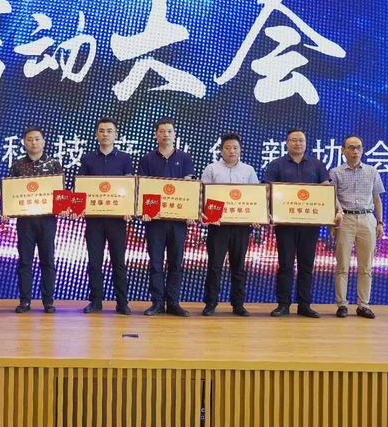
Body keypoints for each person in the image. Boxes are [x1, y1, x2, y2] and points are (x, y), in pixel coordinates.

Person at [263, 128, 330, 318]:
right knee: (285, 265)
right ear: (287, 143)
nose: (298, 143)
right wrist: (268, 213)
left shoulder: (317, 165)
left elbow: (326, 190)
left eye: (301, 140)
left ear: (306, 143)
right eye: (294, 140)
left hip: (310, 224)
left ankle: (304, 305)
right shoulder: (276, 165)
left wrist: (334, 211)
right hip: (285, 224)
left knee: (306, 265)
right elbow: (267, 190)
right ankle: (283, 304)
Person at [138, 119, 195, 317]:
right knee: (155, 263)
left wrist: (189, 212)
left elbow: (188, 187)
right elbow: (143, 187)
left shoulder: (185, 158)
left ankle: (173, 303)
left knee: (176, 263)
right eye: (162, 131)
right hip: (155, 221)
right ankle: (157, 303)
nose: (166, 135)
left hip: (178, 221)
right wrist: (144, 210)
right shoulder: (147, 159)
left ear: (174, 134)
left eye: (169, 131)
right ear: (156, 134)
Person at [77, 118, 133, 315]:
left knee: (119, 262)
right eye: (102, 130)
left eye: (109, 131)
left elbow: (129, 187)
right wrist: (79, 207)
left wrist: (129, 208)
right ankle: (96, 301)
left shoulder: (125, 159)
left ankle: (122, 303)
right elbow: (81, 187)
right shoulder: (88, 159)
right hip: (94, 220)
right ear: (96, 134)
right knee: (94, 262)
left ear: (116, 134)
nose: (105, 134)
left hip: (117, 220)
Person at [200, 133, 259, 317]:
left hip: (241, 226)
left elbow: (256, 196)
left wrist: (256, 215)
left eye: (235, 148)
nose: (231, 151)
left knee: (238, 266)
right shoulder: (211, 169)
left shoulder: (248, 170)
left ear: (240, 150)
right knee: (214, 265)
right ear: (221, 150)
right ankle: (210, 303)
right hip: (218, 225)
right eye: (227, 148)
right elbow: (202, 194)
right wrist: (205, 215)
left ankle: (238, 304)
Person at [329, 135, 385, 319]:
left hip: (367, 218)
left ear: (362, 150)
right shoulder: (335, 172)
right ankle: (342, 304)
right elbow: (331, 198)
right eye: (351, 147)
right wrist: (333, 222)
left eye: (358, 147)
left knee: (366, 266)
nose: (355, 151)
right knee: (342, 265)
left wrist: (380, 222)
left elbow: (377, 198)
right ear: (343, 150)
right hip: (344, 219)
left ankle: (363, 305)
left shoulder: (372, 171)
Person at [9, 127, 63, 314]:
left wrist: (63, 207)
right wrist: (8, 209)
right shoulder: (17, 165)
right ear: (24, 142)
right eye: (30, 139)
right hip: (25, 220)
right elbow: (11, 193)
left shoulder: (54, 164)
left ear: (44, 141)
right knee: (25, 261)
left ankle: (48, 301)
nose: (34, 142)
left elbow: (61, 193)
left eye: (37, 139)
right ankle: (25, 301)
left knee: (47, 260)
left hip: (47, 220)